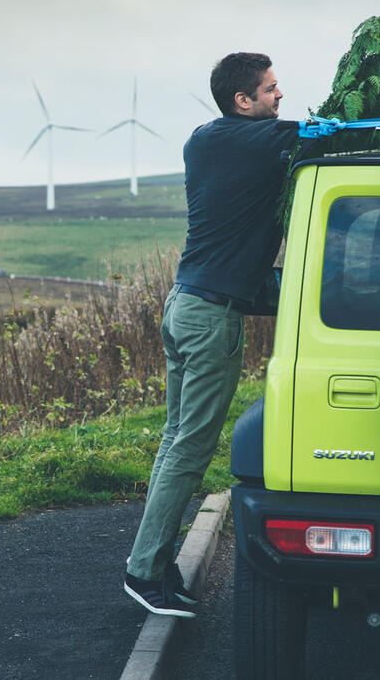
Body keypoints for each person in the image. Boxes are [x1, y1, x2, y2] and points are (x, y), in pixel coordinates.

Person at [123, 52, 302, 617]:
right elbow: (319, 135)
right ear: (242, 101)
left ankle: (153, 563)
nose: (280, 98)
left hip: (185, 305)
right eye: (271, 90)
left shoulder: (207, 138)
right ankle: (143, 571)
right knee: (191, 449)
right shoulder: (254, 140)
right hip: (209, 319)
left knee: (175, 442)